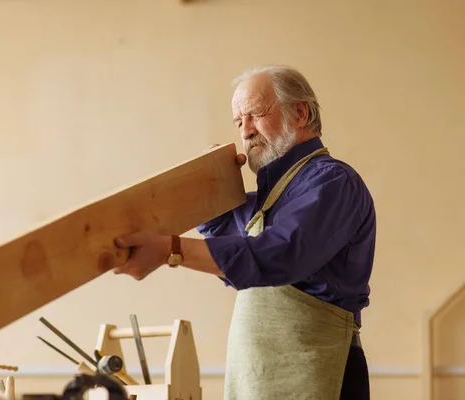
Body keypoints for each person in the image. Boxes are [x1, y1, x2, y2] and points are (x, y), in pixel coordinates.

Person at [112, 65, 376, 400]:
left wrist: (170, 250)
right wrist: (211, 183)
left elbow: (276, 255)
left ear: (300, 112)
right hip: (258, 380)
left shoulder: (332, 182)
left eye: (254, 114)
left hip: (321, 373)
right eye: (239, 122)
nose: (246, 131)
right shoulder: (266, 200)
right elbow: (219, 227)